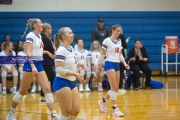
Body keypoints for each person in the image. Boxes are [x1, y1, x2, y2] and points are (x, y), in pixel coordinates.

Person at [6, 18, 59, 120]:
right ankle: (10, 114)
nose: (42, 24)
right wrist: (33, 66)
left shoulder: (39, 36)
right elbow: (29, 52)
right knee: (22, 90)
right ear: (35, 25)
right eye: (40, 22)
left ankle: (54, 115)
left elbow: (37, 51)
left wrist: (47, 52)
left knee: (47, 89)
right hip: (31, 64)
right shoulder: (30, 35)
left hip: (39, 63)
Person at [96, 24, 130, 117]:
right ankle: (115, 108)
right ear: (113, 30)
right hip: (109, 63)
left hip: (117, 64)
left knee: (115, 88)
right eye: (117, 31)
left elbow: (120, 54)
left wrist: (125, 63)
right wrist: (98, 67)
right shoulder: (107, 41)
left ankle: (102, 101)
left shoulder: (119, 41)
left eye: (120, 31)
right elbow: (102, 54)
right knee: (113, 87)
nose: (119, 33)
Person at [53, 27, 84, 120]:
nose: (73, 34)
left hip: (72, 82)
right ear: (63, 36)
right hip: (62, 82)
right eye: (70, 33)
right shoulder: (61, 50)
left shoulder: (71, 48)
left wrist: (79, 65)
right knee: (66, 112)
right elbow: (59, 69)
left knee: (75, 110)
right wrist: (75, 74)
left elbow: (69, 64)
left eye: (72, 32)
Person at [41, 23, 55, 102]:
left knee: (52, 78)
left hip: (47, 61)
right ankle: (43, 97)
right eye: (50, 28)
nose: (51, 29)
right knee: (45, 79)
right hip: (45, 61)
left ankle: (55, 93)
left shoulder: (44, 38)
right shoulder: (45, 38)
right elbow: (52, 51)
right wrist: (55, 48)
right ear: (46, 29)